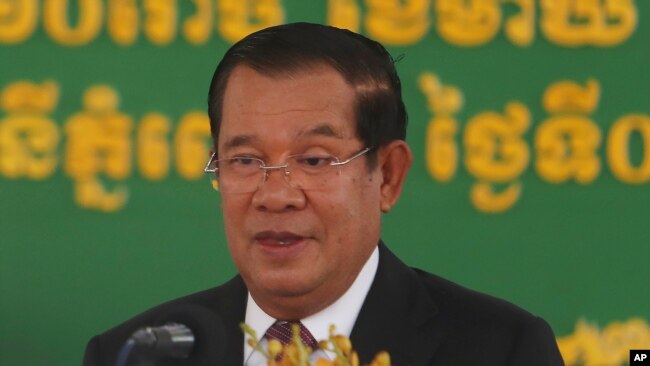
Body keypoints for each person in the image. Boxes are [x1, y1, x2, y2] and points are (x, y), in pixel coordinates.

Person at [83, 22, 564, 366]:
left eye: (314, 160)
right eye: (246, 161)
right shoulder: (138, 353)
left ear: (389, 176)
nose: (275, 196)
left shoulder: (503, 349)